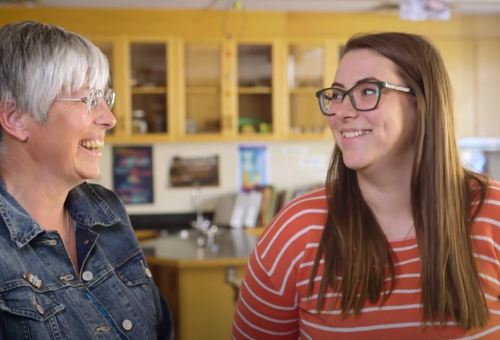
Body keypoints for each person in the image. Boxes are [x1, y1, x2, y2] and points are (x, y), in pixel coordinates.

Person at [232, 32, 500, 339]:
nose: (342, 112)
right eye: (336, 95)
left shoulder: (493, 212)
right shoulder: (296, 231)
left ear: (423, 101)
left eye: (367, 91)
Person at [0, 21, 173, 339]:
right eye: (89, 99)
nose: (109, 118)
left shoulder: (106, 211)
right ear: (15, 118)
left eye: (106, 97)